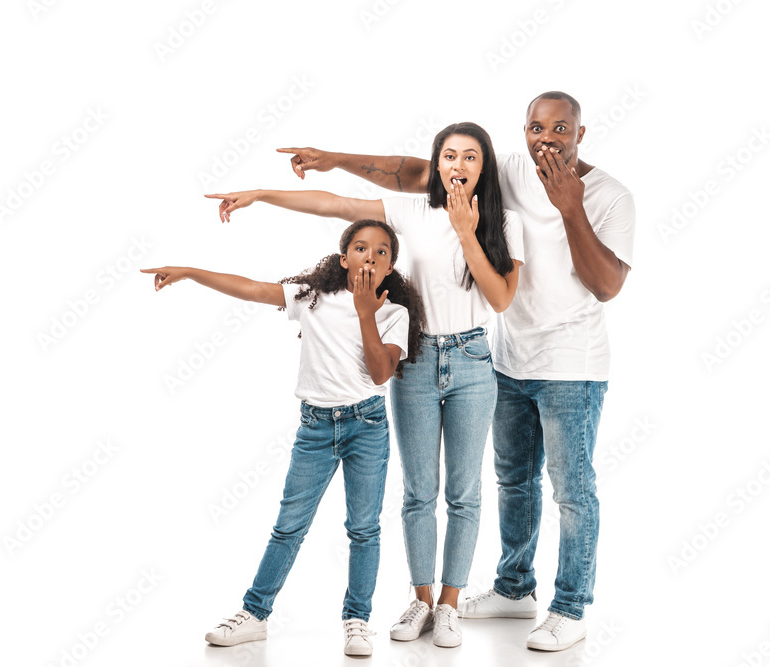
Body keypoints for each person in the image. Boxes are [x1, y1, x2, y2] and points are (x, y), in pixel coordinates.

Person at [275, 91, 636, 652]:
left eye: (561, 129)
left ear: (580, 134)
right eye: (538, 128)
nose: (548, 139)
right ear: (523, 132)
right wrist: (335, 157)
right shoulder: (508, 172)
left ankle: (571, 606)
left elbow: (608, 286)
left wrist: (570, 206)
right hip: (508, 358)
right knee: (510, 481)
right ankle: (514, 588)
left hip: (571, 364)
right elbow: (414, 172)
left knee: (571, 489)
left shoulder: (609, 195)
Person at [206, 122, 524, 648]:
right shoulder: (409, 211)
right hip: (415, 360)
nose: (458, 166)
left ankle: (449, 604)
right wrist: (262, 195)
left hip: (471, 359)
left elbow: (500, 301)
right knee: (419, 492)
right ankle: (420, 601)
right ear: (437, 162)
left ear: (483, 166)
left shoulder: (502, 222)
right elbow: (333, 205)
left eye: (470, 157)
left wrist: (468, 232)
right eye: (449, 156)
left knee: (463, 494)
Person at [143, 219, 424, 657]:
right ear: (344, 255)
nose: (371, 255)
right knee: (289, 526)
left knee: (363, 528)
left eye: (382, 251)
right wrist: (191, 272)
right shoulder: (312, 297)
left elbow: (379, 373)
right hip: (315, 428)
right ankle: (255, 614)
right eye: (361, 247)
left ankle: (357, 619)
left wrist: (367, 313)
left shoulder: (393, 313)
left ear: (390, 266)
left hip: (366, 427)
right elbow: (252, 288)